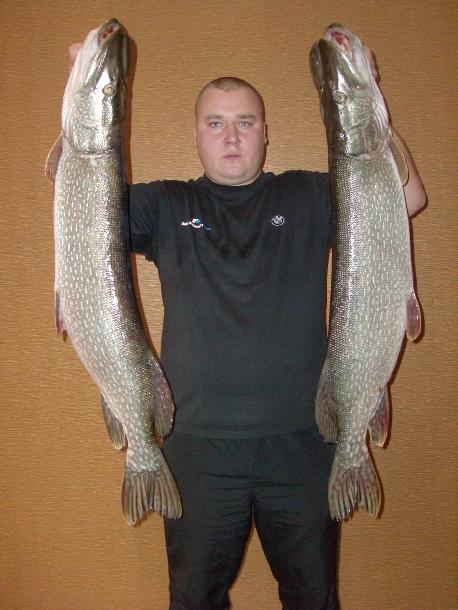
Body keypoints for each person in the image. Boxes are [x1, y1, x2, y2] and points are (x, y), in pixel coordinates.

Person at [69, 43, 425, 610]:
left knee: (313, 599)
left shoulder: (310, 193)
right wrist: (81, 94)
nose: (231, 137)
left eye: (245, 122)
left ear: (265, 133)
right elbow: (83, 206)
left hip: (305, 440)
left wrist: (369, 102)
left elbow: (408, 198)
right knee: (195, 600)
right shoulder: (163, 205)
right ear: (195, 135)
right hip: (195, 446)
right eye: (216, 124)